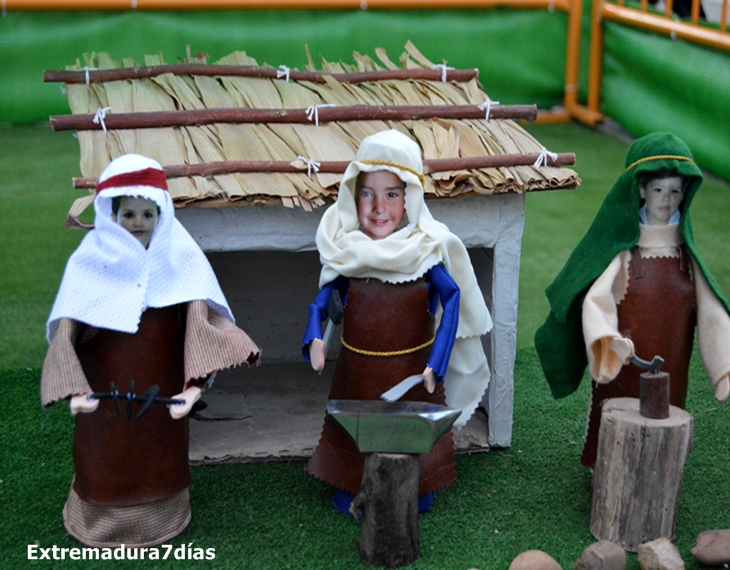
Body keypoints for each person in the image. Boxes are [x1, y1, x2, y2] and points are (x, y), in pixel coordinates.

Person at [41, 154, 260, 547]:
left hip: (162, 400)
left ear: (163, 214)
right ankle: (95, 523)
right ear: (112, 215)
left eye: (147, 213)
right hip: (102, 404)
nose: (138, 223)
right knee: (103, 461)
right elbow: (66, 334)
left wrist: (192, 390)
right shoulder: (89, 266)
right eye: (128, 214)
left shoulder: (182, 263)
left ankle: (163, 521)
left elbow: (201, 331)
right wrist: (75, 391)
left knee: (158, 464)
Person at [302, 129, 492, 513]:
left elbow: (452, 298)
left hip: (411, 376)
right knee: (355, 438)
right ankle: (350, 485)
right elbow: (321, 302)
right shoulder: (348, 255)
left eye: (391, 194)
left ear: (409, 199)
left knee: (410, 439)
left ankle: (417, 488)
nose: (378, 207)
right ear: (353, 196)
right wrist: (315, 339)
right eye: (368, 194)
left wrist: (435, 364)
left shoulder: (424, 252)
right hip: (358, 374)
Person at [534, 132, 730, 468]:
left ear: (684, 194)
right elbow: (596, 302)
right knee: (614, 430)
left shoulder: (687, 258)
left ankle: (663, 473)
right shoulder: (623, 254)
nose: (665, 201)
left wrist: (724, 368)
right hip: (625, 366)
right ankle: (607, 471)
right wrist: (608, 341)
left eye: (674, 191)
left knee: (666, 425)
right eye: (657, 190)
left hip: (672, 368)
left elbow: (713, 312)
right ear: (640, 189)